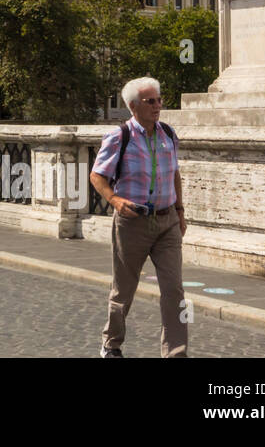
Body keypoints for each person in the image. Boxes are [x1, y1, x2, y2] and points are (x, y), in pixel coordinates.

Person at [90, 76, 187, 359]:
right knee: (124, 289)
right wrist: (115, 200)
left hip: (167, 221)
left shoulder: (168, 133)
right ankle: (111, 344)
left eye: (159, 100)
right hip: (132, 223)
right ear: (134, 107)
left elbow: (175, 173)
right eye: (151, 101)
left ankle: (176, 353)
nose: (158, 105)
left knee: (174, 291)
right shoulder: (120, 136)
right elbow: (97, 175)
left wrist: (180, 212)